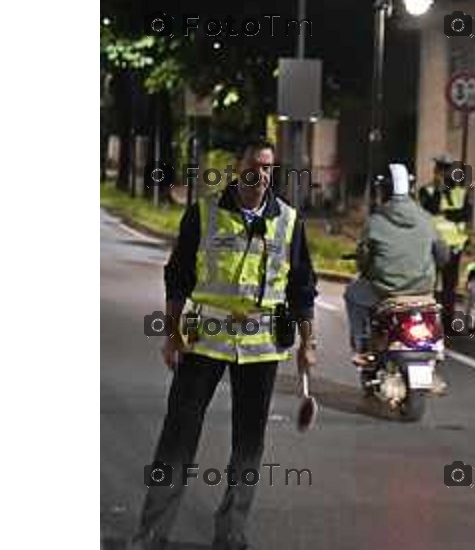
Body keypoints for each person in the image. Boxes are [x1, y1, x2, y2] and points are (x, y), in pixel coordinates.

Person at [129, 142, 318, 550]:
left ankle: (231, 531)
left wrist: (309, 342)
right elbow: (177, 276)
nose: (261, 175)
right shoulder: (204, 213)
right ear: (238, 168)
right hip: (203, 341)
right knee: (177, 436)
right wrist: (171, 332)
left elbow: (303, 287)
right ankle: (151, 533)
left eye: (268, 168)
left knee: (249, 442)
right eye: (254, 166)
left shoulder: (288, 221)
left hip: (261, 347)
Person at [343, 163, 449, 365]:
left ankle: (363, 346)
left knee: (352, 294)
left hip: (386, 291)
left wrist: (365, 269)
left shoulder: (375, 221)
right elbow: (442, 254)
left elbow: (364, 259)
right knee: (434, 310)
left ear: (383, 191)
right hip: (422, 291)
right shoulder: (426, 219)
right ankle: (437, 346)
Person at [418, 155, 472, 333]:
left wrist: (445, 211)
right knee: (430, 284)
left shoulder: (461, 192)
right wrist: (441, 194)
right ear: (435, 172)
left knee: (450, 287)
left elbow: (464, 215)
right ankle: (427, 321)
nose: (443, 174)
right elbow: (429, 209)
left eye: (446, 171)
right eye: (440, 171)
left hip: (454, 246)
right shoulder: (426, 191)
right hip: (432, 244)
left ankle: (448, 324)